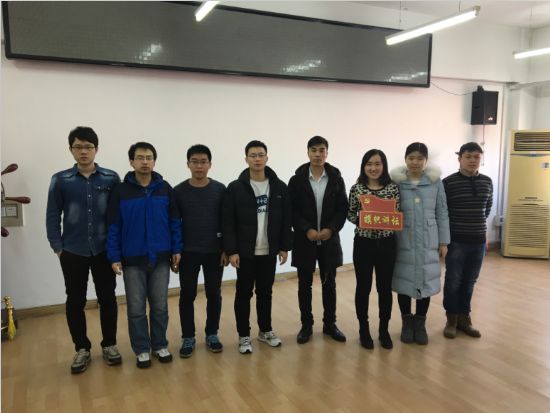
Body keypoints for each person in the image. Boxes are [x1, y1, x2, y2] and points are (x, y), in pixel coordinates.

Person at [46, 126, 122, 374]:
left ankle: (109, 345)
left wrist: (117, 248)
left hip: (104, 251)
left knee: (107, 298)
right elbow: (52, 215)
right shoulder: (61, 180)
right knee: (75, 300)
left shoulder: (110, 178)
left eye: (88, 147)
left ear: (96, 149)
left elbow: (118, 215)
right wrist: (58, 248)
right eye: (78, 147)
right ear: (71, 150)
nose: (83, 151)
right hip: (73, 251)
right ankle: (82, 348)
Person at [107, 142, 182, 368]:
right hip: (132, 259)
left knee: (160, 306)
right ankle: (141, 349)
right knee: (136, 308)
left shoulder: (164, 188)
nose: (145, 162)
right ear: (131, 162)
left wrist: (177, 249)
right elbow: (113, 226)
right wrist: (114, 256)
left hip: (160, 257)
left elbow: (175, 222)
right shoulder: (121, 191)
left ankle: (159, 345)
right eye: (140, 158)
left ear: (154, 161)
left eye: (149, 158)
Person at [222, 140, 292, 354]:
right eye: (253, 155)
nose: (257, 159)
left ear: (267, 158)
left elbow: (285, 219)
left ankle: (265, 330)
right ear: (246, 159)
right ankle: (244, 335)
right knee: (243, 294)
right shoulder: (235, 188)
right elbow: (228, 222)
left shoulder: (279, 187)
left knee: (265, 292)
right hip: (245, 252)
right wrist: (232, 250)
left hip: (268, 251)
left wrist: (284, 247)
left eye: (261, 155)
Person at [288, 136, 348, 344]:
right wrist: (306, 229)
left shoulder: (336, 178)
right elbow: (292, 210)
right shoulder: (297, 180)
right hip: (305, 240)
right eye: (313, 150)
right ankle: (306, 325)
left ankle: (330, 324)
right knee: (304, 285)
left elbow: (342, 208)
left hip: (329, 240)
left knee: (329, 284)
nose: (317, 154)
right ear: (307, 153)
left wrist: (331, 229)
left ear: (327, 153)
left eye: (322, 150)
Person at [390, 142, 450, 345]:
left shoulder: (435, 182)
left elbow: (442, 211)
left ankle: (420, 323)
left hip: (428, 239)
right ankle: (407, 323)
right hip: (402, 238)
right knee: (404, 280)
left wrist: (444, 241)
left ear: (426, 161)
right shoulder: (396, 182)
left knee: (426, 279)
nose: (415, 162)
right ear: (405, 159)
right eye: (411, 158)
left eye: (419, 158)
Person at [173, 144, 228, 358]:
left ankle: (212, 334)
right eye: (194, 162)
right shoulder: (178, 191)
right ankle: (188, 336)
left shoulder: (220, 190)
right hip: (188, 253)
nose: (199, 166)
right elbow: (174, 224)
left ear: (210, 164)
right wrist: (175, 251)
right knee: (187, 295)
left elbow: (226, 223)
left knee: (214, 293)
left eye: (203, 162)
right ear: (188, 164)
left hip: (214, 252)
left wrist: (226, 249)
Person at [347, 149, 400, 349]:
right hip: (364, 243)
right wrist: (364, 221)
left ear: (383, 166)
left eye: (377, 163)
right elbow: (350, 213)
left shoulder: (393, 188)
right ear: (363, 167)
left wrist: (386, 221)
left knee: (384, 288)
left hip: (387, 244)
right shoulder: (357, 188)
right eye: (369, 164)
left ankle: (384, 330)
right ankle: (364, 330)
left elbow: (398, 213)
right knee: (363, 287)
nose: (373, 168)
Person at [442, 142, 493, 339]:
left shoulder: (487, 182)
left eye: (476, 157)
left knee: (470, 281)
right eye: (468, 156)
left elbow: (486, 210)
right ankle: (451, 320)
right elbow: (443, 213)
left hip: (478, 242)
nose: (472, 160)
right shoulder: (448, 183)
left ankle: (465, 318)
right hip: (456, 242)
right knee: (453, 281)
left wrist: (482, 234)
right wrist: (444, 242)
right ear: (460, 158)